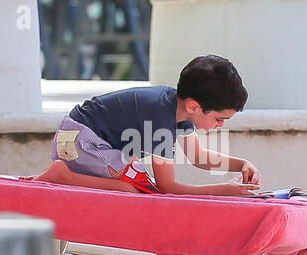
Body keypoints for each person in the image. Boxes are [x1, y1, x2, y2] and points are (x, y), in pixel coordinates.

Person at [33, 54, 261, 196]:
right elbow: (167, 187)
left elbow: (198, 157)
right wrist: (224, 191)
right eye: (219, 119)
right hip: (80, 142)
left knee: (139, 184)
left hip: (79, 137)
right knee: (138, 188)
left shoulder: (179, 109)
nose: (219, 126)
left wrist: (242, 164)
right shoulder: (161, 119)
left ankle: (66, 174)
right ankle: (63, 175)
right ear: (194, 106)